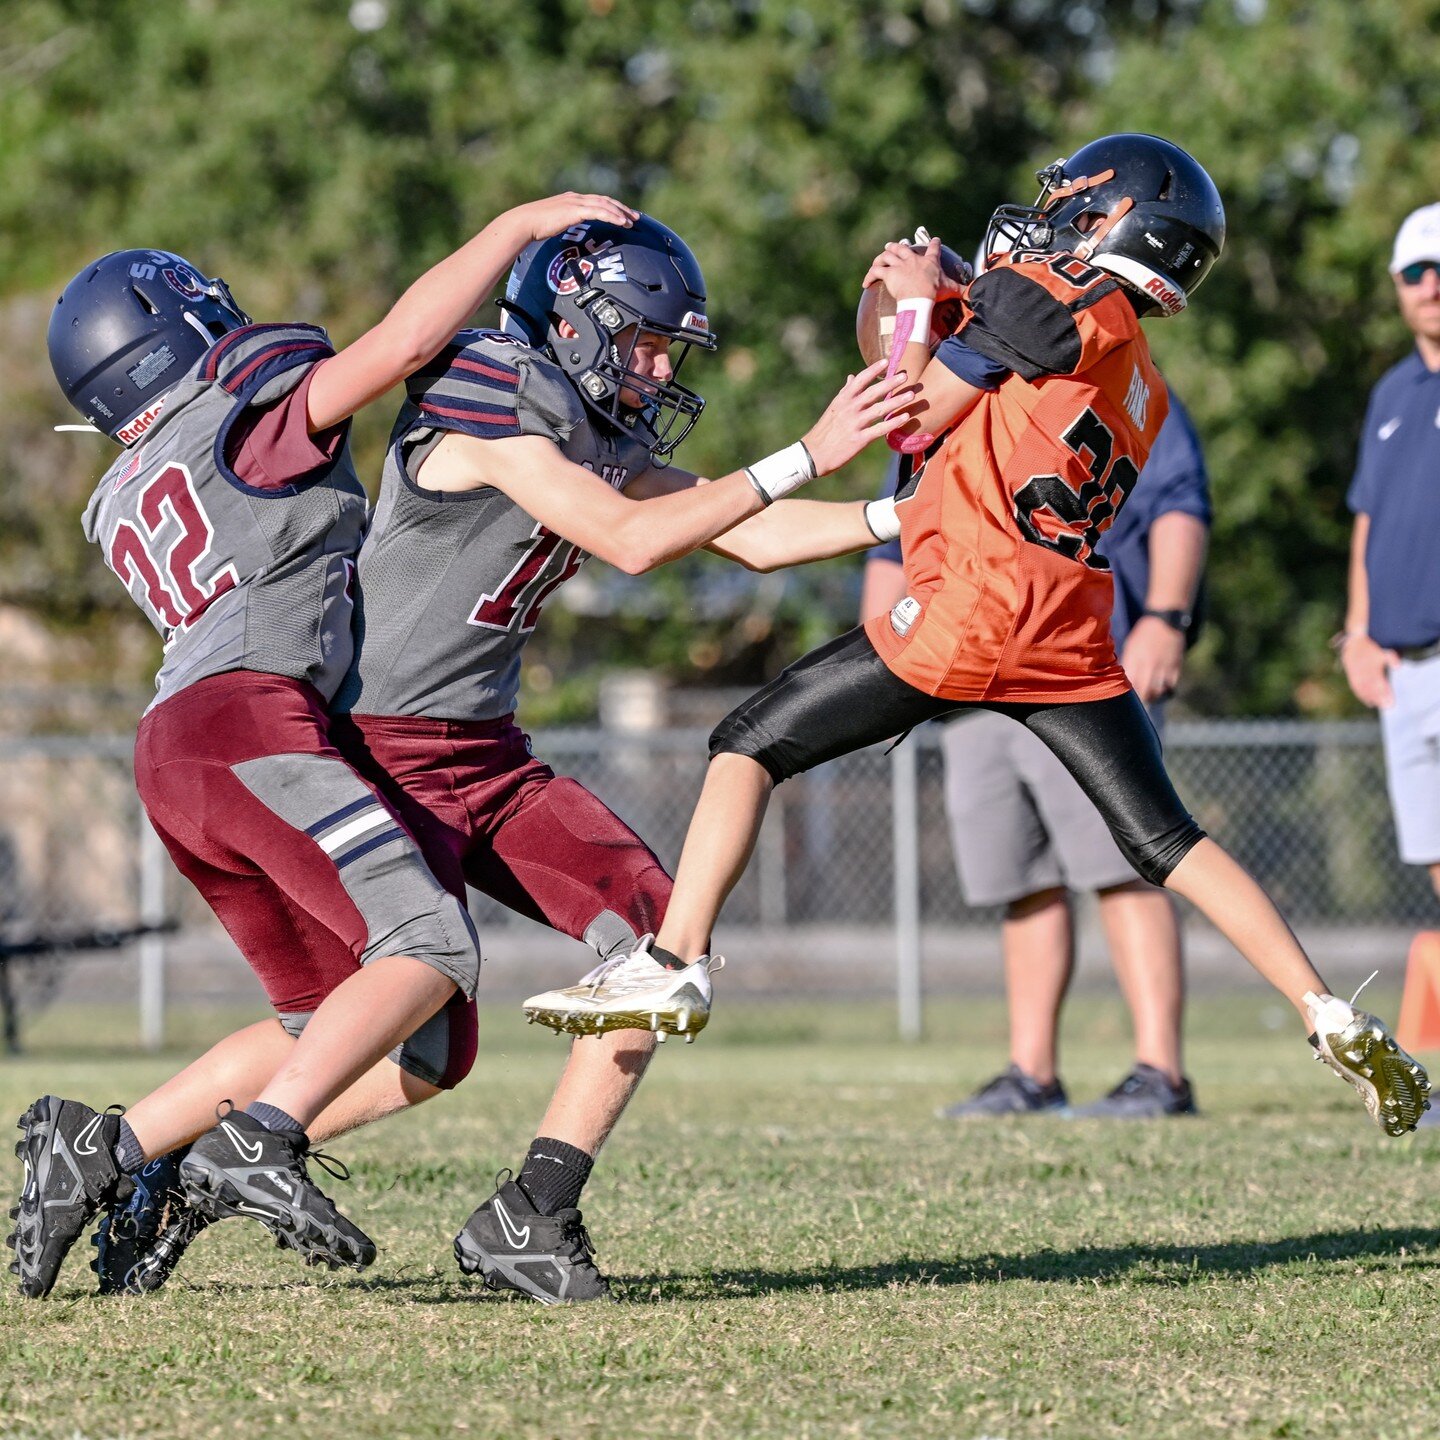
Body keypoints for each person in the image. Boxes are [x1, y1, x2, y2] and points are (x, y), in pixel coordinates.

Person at [68, 215, 914, 1305]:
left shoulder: (589, 428)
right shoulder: (486, 392)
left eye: (669, 349)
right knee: (410, 1046)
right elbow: (630, 539)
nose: (659, 368)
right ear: (568, 321)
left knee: (662, 934)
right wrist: (810, 446)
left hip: (486, 756)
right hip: (380, 752)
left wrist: (910, 515)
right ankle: (161, 1158)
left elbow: (743, 534)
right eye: (646, 341)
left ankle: (535, 1209)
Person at [528, 134, 1432, 1142]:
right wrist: (928, 300)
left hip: (971, 611)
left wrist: (922, 300)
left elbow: (910, 418)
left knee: (747, 743)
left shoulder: (1052, 301)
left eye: (1069, 211)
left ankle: (675, 962)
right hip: (1069, 628)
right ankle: (1327, 1011)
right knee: (1169, 841)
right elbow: (926, 360)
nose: (1046, 222)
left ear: (1111, 227)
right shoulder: (1141, 378)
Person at [8, 193, 639, 1300]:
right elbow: (401, 344)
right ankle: (257, 1140)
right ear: (187, 333)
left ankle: (100, 1153)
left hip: (182, 750)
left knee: (400, 1040)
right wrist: (514, 227)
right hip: (252, 723)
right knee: (430, 948)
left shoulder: (126, 485)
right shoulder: (244, 421)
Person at [861, 389, 1210, 1119]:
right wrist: (882, 668)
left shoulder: (1112, 380)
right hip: (968, 678)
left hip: (1076, 668)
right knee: (1019, 879)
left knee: (1126, 869)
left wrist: (1168, 621)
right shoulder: (938, 404)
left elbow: (1179, 503)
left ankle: (1161, 1074)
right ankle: (1033, 1074)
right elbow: (896, 546)